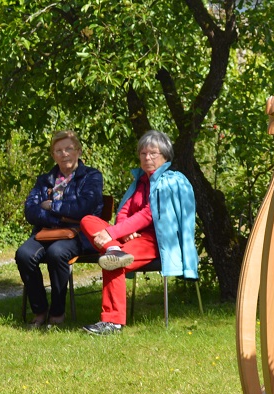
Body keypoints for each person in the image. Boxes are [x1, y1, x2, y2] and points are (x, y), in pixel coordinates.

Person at [80, 130, 198, 335]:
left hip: (155, 240)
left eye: (153, 153)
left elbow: (149, 214)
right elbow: (124, 211)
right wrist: (120, 235)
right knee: (88, 220)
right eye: (143, 153)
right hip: (127, 239)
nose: (147, 158)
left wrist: (113, 232)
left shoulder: (169, 181)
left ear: (165, 156)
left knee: (112, 261)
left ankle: (113, 322)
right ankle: (114, 249)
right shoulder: (140, 181)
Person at [16, 130, 104, 328]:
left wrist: (52, 207)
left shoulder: (92, 176)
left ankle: (57, 312)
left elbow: (84, 208)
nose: (64, 154)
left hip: (79, 234)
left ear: (78, 151)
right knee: (23, 254)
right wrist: (61, 218)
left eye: (68, 149)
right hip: (47, 232)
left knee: (57, 253)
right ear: (53, 155)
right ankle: (39, 311)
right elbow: (30, 211)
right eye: (59, 150)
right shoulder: (45, 180)